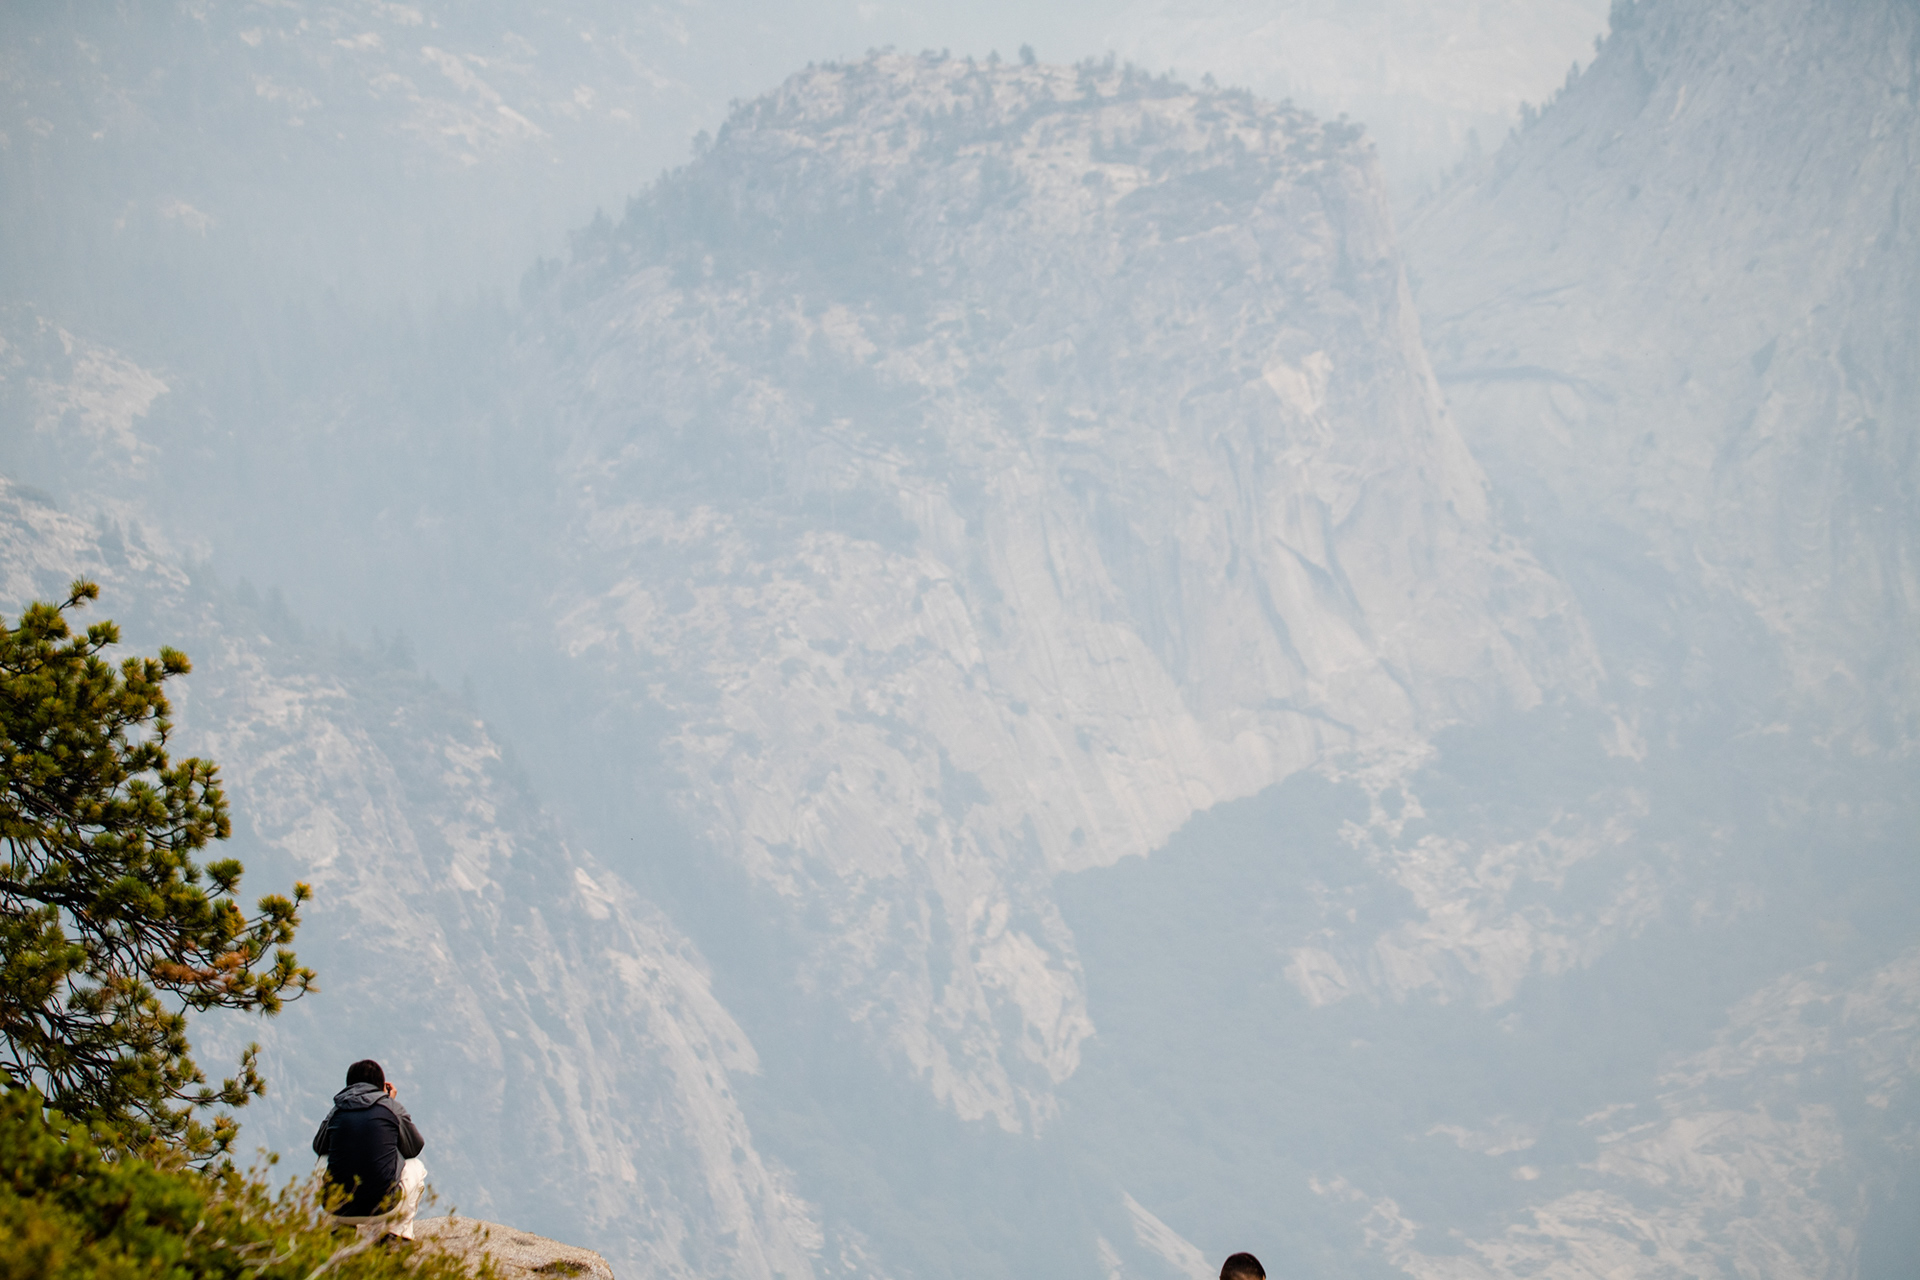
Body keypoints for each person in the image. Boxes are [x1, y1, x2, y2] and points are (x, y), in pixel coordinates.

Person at [312, 1058, 428, 1241]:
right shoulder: (392, 1108)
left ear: (349, 1085)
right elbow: (414, 1148)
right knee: (416, 1165)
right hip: (385, 1206)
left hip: (339, 1208)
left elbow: (318, 1146)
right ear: (382, 1086)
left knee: (323, 1160)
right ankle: (396, 1233)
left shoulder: (337, 1111)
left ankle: (340, 1230)